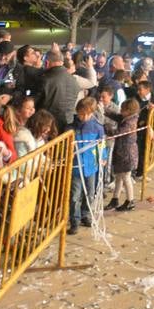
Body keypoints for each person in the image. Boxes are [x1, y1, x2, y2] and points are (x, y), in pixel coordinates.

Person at [68, 98, 103, 234]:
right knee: (75, 196)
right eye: (80, 114)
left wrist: (103, 157)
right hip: (76, 168)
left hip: (90, 166)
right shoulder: (71, 128)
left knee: (90, 193)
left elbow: (101, 144)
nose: (82, 117)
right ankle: (74, 221)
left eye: (86, 114)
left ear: (92, 113)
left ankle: (86, 215)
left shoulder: (97, 127)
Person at [106, 99, 138, 213]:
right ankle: (115, 199)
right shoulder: (127, 118)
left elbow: (117, 133)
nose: (120, 111)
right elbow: (116, 116)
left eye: (122, 109)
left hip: (126, 154)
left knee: (126, 177)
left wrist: (106, 128)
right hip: (122, 152)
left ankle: (130, 200)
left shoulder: (129, 123)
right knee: (119, 177)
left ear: (129, 111)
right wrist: (105, 110)